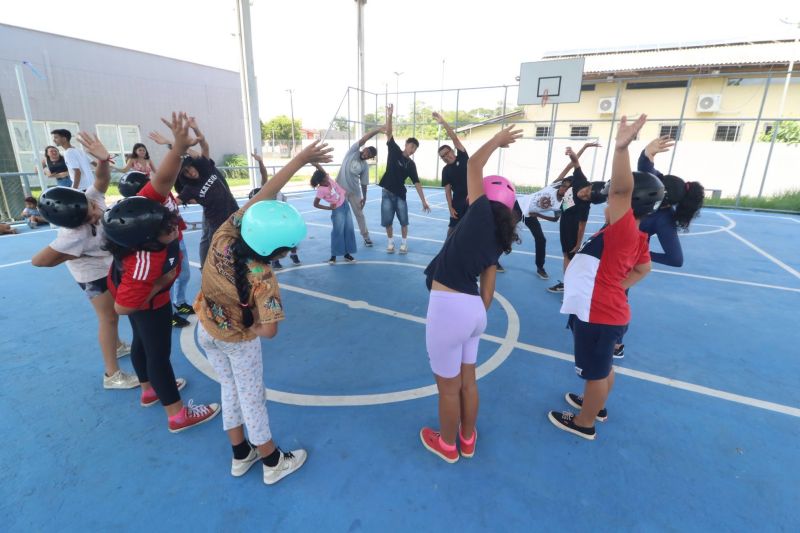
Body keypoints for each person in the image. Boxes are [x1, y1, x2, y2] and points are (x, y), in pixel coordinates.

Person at [195, 140, 332, 484]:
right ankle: (272, 461)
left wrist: (301, 158)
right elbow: (268, 331)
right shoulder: (264, 279)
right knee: (253, 399)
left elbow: (265, 195)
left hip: (207, 331)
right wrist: (251, 325)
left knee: (229, 388)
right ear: (279, 252)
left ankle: (240, 455)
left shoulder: (225, 234)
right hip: (239, 341)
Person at [104, 112, 220, 433]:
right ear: (152, 237)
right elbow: (123, 306)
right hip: (145, 300)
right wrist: (162, 282)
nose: (175, 225)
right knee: (159, 353)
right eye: (169, 226)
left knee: (141, 341)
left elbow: (162, 180)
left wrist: (178, 148)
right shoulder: (145, 262)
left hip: (141, 294)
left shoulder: (140, 213)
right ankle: (177, 414)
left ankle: (148, 390)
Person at [548, 115, 662, 440]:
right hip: (606, 310)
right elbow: (644, 268)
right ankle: (595, 405)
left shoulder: (624, 230)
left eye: (612, 198)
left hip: (598, 315)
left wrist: (622, 148)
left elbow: (623, 189)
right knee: (603, 368)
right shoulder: (632, 234)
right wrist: (616, 286)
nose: (607, 202)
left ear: (628, 202)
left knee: (596, 373)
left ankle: (585, 422)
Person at [420, 125, 522, 463]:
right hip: (475, 313)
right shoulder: (497, 238)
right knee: (467, 382)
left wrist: (497, 140)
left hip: (449, 309)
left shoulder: (477, 214)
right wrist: (472, 316)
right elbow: (488, 293)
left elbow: (473, 165)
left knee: (448, 389)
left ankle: (447, 444)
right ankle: (467, 437)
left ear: (483, 198)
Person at [31, 131, 137, 389]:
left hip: (107, 261)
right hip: (89, 272)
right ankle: (112, 375)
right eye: (89, 218)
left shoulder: (89, 199)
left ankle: (119, 344)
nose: (95, 214)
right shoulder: (72, 235)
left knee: (115, 312)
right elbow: (39, 261)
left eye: (92, 209)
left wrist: (102, 160)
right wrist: (72, 254)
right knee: (108, 317)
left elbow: (102, 180)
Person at [611, 136, 705, 360]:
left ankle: (616, 343)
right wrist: (648, 151)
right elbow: (645, 166)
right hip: (609, 245)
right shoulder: (655, 184)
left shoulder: (664, 219)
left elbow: (676, 259)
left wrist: (639, 255)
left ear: (664, 200)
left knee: (618, 297)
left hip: (623, 262)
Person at [116, 170, 193, 328]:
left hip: (177, 239)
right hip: (165, 244)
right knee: (166, 280)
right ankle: (171, 312)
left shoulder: (164, 191)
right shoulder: (148, 207)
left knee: (183, 274)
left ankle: (180, 302)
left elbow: (168, 176)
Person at [176, 117, 240, 266]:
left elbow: (204, 145)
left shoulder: (206, 168)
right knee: (220, 255)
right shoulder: (189, 189)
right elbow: (175, 202)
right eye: (186, 173)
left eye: (190, 168)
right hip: (218, 225)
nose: (191, 173)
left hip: (234, 214)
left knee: (240, 249)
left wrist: (196, 129)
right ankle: (210, 275)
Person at [546, 143, 603, 293]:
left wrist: (578, 243)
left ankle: (570, 286)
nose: (584, 194)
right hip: (564, 222)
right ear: (589, 184)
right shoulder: (580, 180)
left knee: (570, 256)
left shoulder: (585, 206)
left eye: (588, 197)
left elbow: (582, 225)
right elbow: (575, 163)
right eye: (587, 191)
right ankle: (569, 284)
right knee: (567, 255)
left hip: (571, 227)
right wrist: (571, 152)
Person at [378, 104, 431, 254]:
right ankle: (390, 243)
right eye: (411, 145)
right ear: (406, 145)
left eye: (415, 148)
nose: (412, 149)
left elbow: (417, 183)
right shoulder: (394, 150)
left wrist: (424, 200)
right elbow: (388, 133)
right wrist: (389, 115)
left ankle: (404, 243)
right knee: (387, 221)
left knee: (403, 221)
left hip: (400, 194)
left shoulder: (411, 165)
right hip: (387, 192)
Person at [250, 152, 301, 269]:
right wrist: (260, 161)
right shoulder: (267, 189)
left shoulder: (280, 192)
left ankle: (294, 254)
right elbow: (263, 174)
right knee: (275, 239)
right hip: (272, 220)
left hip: (283, 217)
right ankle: (274, 260)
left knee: (293, 235)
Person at [335, 127, 382, 247]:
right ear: (364, 148)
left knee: (360, 215)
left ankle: (366, 237)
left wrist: (364, 197)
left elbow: (364, 183)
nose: (366, 156)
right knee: (341, 215)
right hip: (340, 191)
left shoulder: (365, 166)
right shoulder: (352, 151)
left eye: (369, 156)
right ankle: (340, 238)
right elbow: (365, 138)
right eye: (367, 152)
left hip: (354, 192)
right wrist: (378, 130)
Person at [311, 163, 357, 264]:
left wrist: (315, 163)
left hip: (345, 204)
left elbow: (321, 169)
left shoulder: (328, 179)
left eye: (326, 178)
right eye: (324, 180)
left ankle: (347, 254)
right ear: (320, 182)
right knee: (337, 232)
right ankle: (333, 256)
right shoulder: (320, 190)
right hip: (337, 210)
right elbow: (315, 204)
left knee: (348, 229)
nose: (327, 180)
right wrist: (328, 208)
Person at [432, 112, 469, 238]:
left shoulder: (463, 157)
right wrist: (450, 207)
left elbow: (454, 138)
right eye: (443, 156)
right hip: (458, 202)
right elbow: (448, 191)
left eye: (447, 153)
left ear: (452, 151)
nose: (446, 156)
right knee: (452, 231)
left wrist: (443, 122)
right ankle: (446, 253)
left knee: (473, 229)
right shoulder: (445, 170)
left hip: (473, 199)